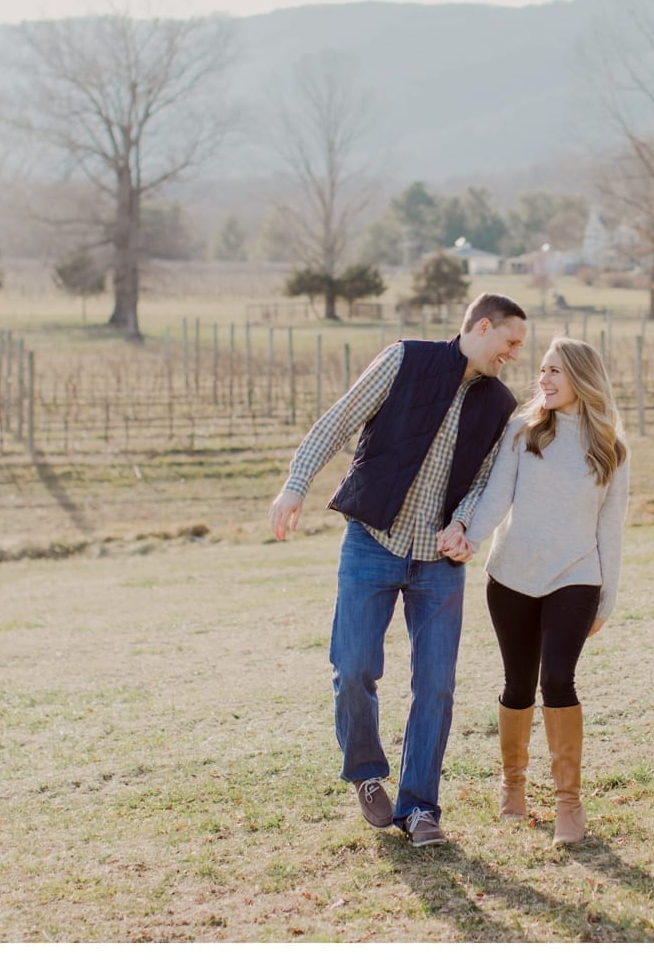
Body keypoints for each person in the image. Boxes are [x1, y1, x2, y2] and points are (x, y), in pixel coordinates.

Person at [268, 293, 528, 847]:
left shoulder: (501, 403)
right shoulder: (403, 359)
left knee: (435, 686)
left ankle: (419, 809)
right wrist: (296, 484)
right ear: (482, 327)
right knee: (354, 665)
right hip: (373, 541)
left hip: (438, 562)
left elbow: (486, 480)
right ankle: (366, 774)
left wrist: (462, 524)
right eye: (510, 342)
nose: (514, 355)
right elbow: (338, 422)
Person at [438, 337, 629, 846]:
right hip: (512, 577)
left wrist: (607, 597)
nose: (542, 380)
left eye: (554, 373)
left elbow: (611, 527)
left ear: (582, 380)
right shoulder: (523, 430)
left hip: (576, 576)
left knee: (559, 681)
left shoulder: (610, 445)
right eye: (542, 371)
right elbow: (498, 493)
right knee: (518, 683)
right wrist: (469, 535)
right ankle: (513, 784)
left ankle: (569, 804)